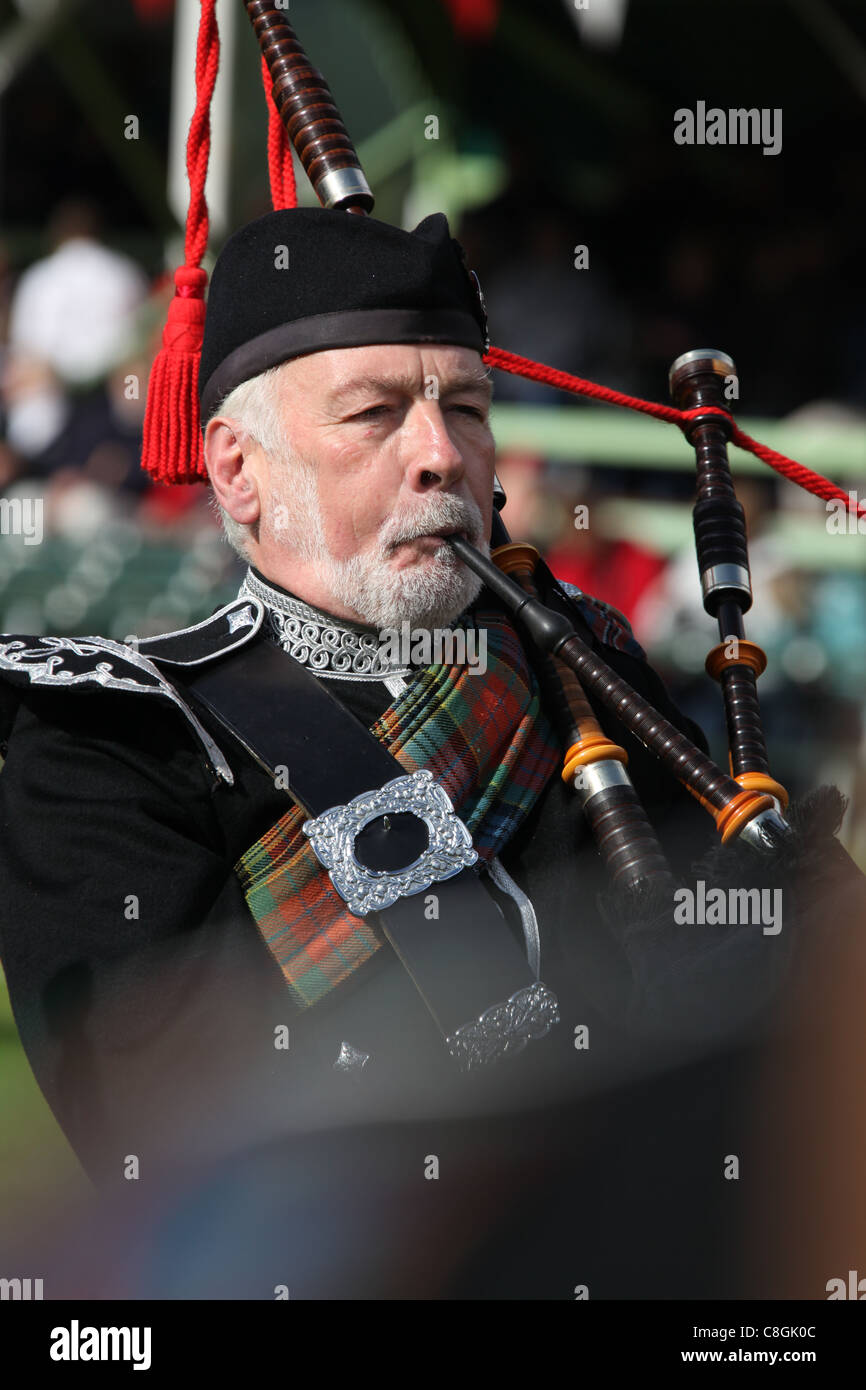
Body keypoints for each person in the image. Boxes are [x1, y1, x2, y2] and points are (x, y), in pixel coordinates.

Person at [0, 208, 858, 1298]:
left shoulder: (575, 661)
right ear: (235, 467)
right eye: (373, 413)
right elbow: (177, 1149)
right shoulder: (117, 738)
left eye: (464, 404)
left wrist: (765, 939)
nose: (440, 454)